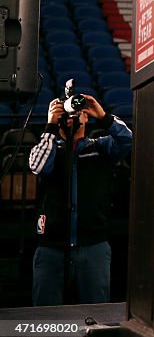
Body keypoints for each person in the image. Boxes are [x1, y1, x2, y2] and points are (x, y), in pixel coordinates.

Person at [27, 92, 132, 306]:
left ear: (86, 116)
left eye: (80, 113)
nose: (74, 117)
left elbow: (128, 140)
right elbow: (37, 165)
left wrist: (103, 116)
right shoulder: (51, 149)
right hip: (51, 247)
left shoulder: (99, 147)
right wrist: (50, 126)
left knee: (97, 312)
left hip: (93, 245)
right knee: (44, 317)